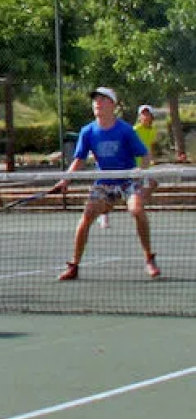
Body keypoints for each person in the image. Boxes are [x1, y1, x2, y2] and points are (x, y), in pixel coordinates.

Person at [55, 87, 159, 281]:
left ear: (112, 105)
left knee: (137, 211)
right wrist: (65, 179)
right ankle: (74, 265)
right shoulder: (87, 131)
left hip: (128, 180)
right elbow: (79, 159)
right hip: (104, 182)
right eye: (95, 100)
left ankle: (149, 258)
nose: (97, 103)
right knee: (87, 216)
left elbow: (144, 155)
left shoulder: (125, 130)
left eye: (103, 99)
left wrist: (141, 173)